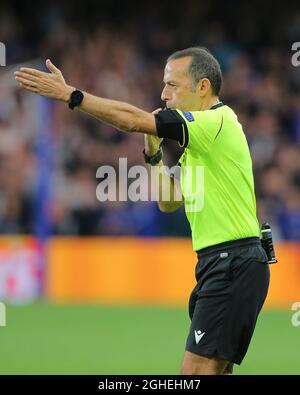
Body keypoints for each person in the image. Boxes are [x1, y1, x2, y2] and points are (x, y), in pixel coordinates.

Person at [15, 47, 270, 375]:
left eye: (172, 85)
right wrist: (153, 157)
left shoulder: (215, 122)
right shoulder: (200, 145)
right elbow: (169, 201)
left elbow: (134, 120)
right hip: (219, 263)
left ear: (203, 87)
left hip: (233, 263)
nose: (164, 95)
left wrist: (71, 95)